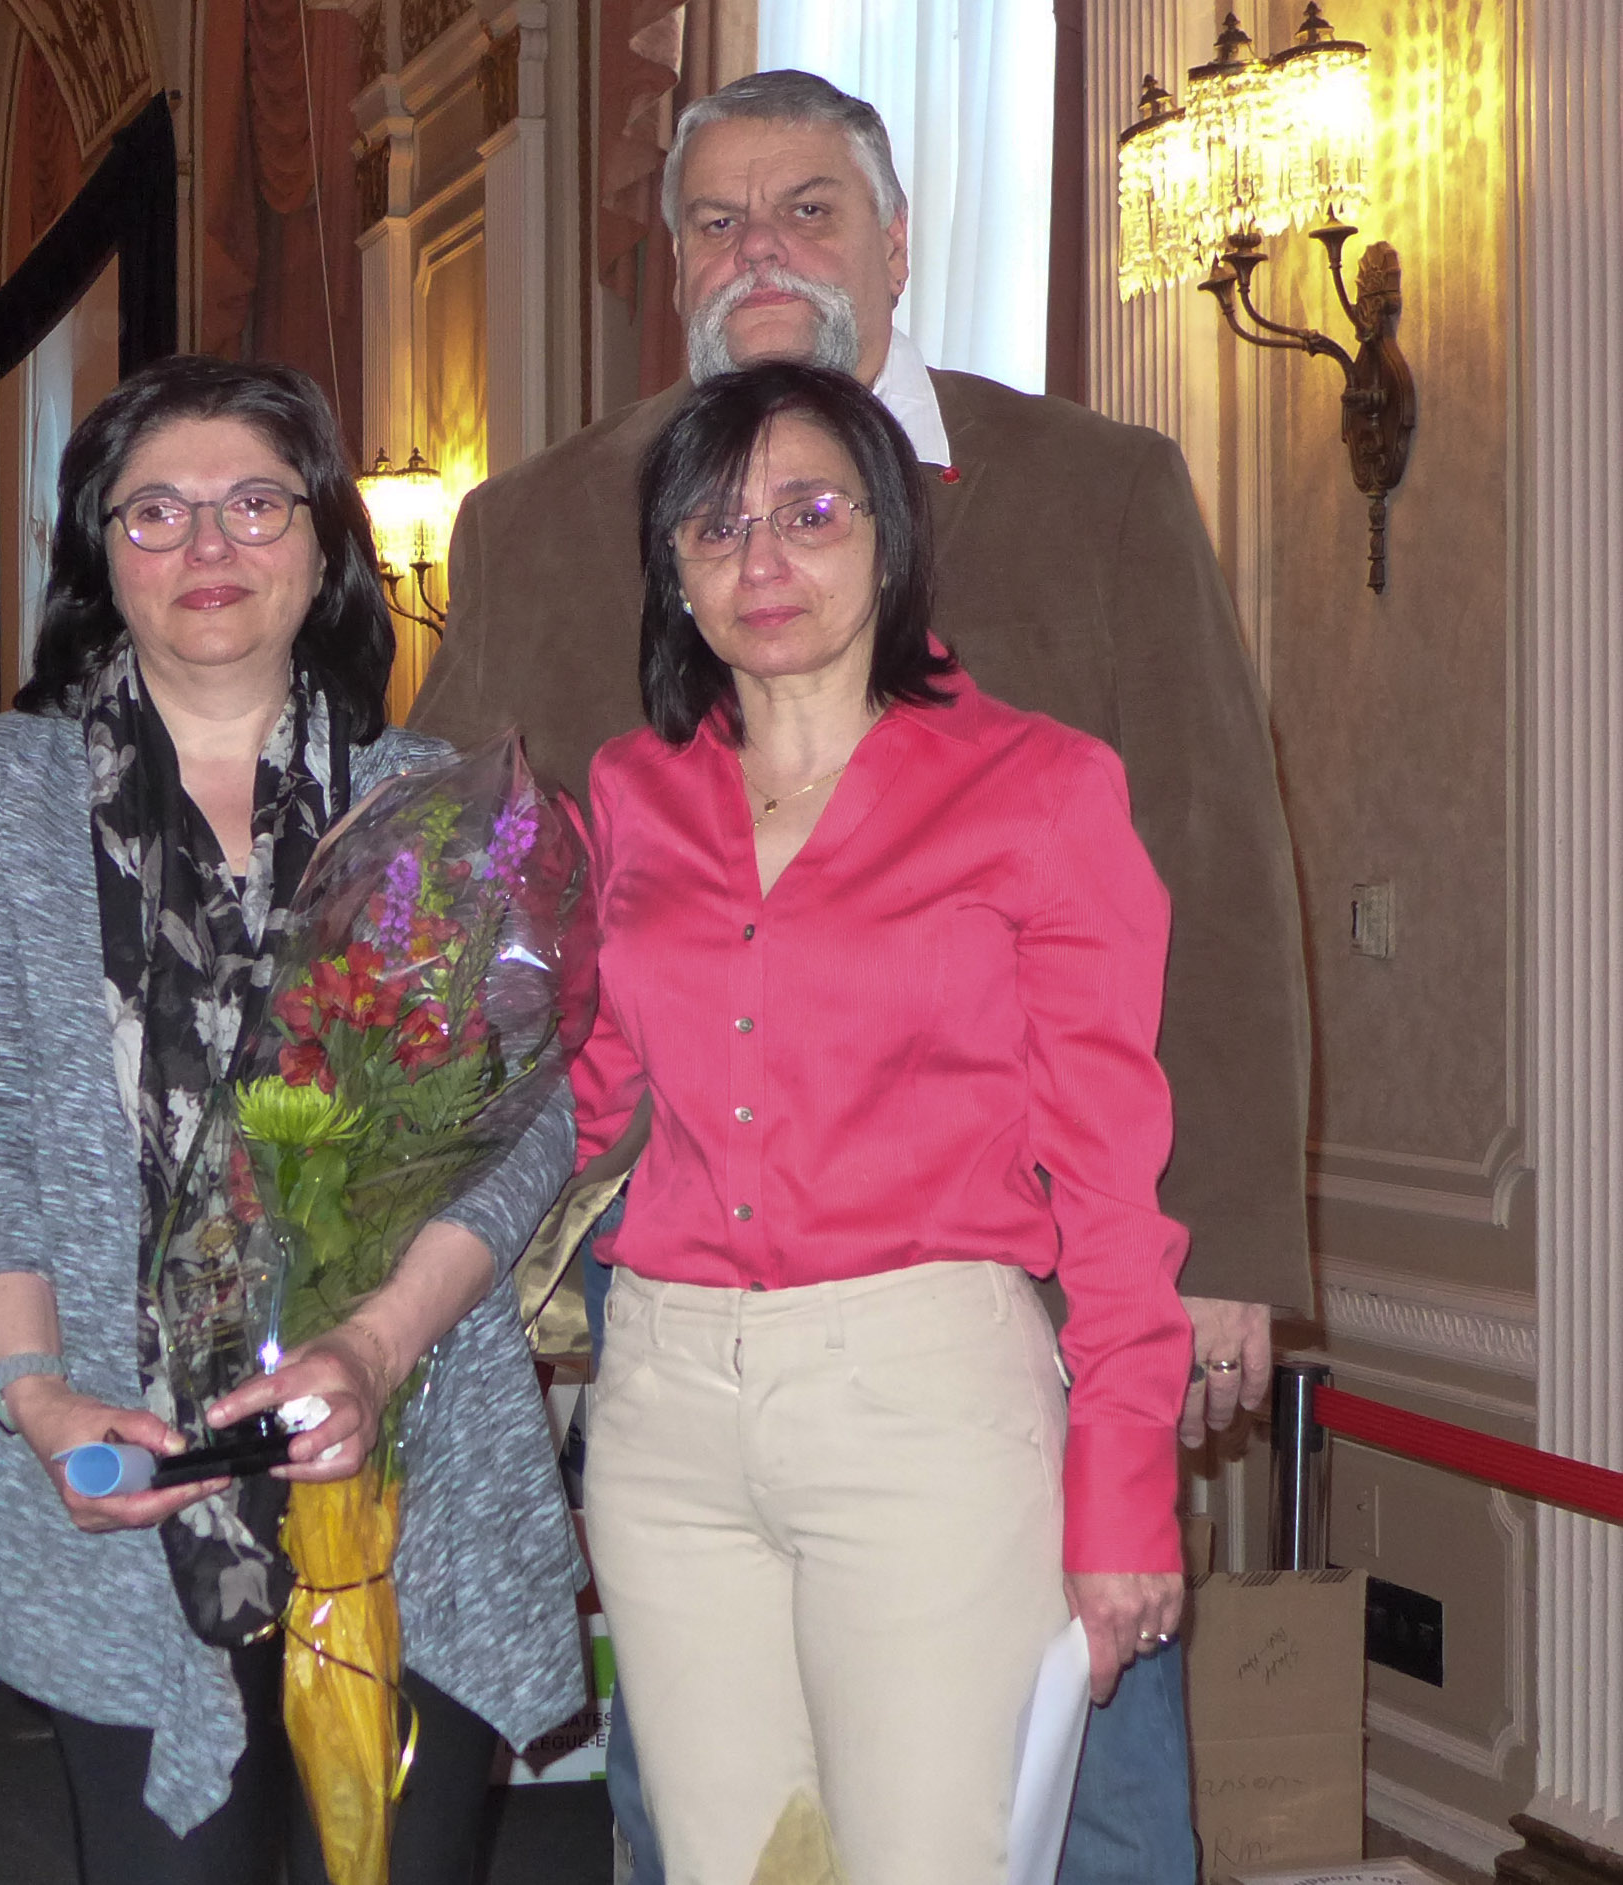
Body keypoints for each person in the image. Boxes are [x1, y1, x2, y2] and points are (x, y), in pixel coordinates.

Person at [412, 69, 1310, 1882]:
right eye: (719, 221)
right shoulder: (536, 519)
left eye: (809, 209)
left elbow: (1210, 874)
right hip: (683, 1332)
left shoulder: (1094, 486)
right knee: (722, 1826)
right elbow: (464, 902)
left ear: (895, 243)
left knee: (1076, 1795)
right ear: (671, 265)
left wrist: (1218, 1246)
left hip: (1033, 1297)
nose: (763, 249)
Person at [0, 354, 585, 1885]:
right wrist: (34, 1399)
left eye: (251, 504)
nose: (207, 548)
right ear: (95, 556)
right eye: (154, 512)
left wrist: (374, 1345)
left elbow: (519, 1129)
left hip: (404, 1456)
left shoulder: (435, 803)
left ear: (323, 541)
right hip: (126, 1460)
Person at [575, 358, 1189, 1882]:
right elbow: (590, 1084)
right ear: (671, 571)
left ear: (891, 538)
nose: (760, 561)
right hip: (661, 1406)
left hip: (920, 1402)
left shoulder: (1035, 787)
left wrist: (1121, 1491)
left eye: (809, 513)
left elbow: (1111, 1176)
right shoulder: (627, 789)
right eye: (712, 529)